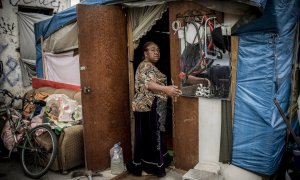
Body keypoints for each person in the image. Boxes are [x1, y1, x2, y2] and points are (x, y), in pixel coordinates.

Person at [126, 41, 181, 177]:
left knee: (153, 137)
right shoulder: (145, 65)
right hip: (147, 107)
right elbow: (148, 84)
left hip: (151, 107)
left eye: (158, 50)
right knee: (151, 138)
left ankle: (154, 163)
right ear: (145, 53)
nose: (156, 52)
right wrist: (166, 89)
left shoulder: (151, 66)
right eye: (152, 50)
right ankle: (149, 167)